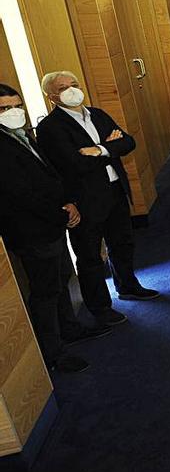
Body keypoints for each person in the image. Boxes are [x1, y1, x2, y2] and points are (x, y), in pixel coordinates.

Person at [38, 72, 159, 327]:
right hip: (85, 199)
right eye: (63, 88)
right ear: (51, 96)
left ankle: (127, 285)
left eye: (74, 85)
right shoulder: (50, 127)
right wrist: (109, 149)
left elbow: (128, 142)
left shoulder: (97, 114)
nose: (71, 91)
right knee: (90, 255)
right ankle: (100, 307)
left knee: (122, 242)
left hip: (115, 188)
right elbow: (73, 163)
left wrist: (100, 149)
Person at [0, 84, 97, 373]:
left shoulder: (22, 135)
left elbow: (50, 174)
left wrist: (68, 203)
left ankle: (70, 327)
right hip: (32, 230)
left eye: (16, 105)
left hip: (53, 223)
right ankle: (54, 353)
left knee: (61, 278)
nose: (14, 112)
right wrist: (60, 214)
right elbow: (20, 193)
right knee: (44, 291)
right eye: (4, 109)